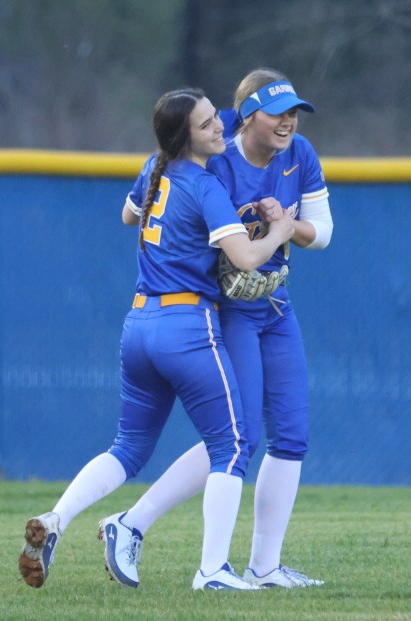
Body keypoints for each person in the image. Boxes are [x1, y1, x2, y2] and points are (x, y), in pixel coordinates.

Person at [17, 87, 295, 591]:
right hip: (187, 326)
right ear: (184, 137)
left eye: (216, 117)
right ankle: (213, 570)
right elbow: (248, 258)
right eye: (207, 124)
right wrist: (279, 230)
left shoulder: (156, 167)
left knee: (128, 447)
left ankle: (57, 518)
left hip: (140, 324)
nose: (219, 127)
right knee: (233, 444)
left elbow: (129, 215)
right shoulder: (205, 185)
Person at [98, 68, 333, 589]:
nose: (288, 122)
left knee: (291, 434)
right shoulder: (214, 147)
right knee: (236, 435)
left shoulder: (300, 153)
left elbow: (323, 233)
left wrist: (286, 226)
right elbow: (152, 188)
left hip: (275, 304)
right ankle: (135, 522)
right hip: (229, 310)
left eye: (294, 112)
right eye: (277, 112)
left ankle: (265, 566)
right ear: (247, 115)